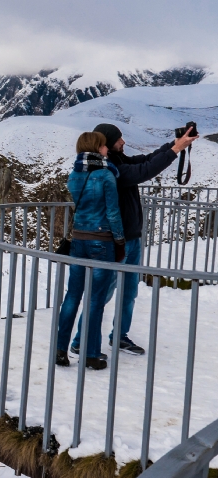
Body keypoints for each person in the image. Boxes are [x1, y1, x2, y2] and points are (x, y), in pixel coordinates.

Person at [91, 123, 197, 355]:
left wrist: (176, 143)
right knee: (102, 294)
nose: (123, 142)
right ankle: (82, 340)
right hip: (114, 241)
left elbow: (147, 159)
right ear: (107, 142)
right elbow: (144, 171)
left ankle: (120, 336)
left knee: (129, 292)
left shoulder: (119, 160)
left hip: (132, 239)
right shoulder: (108, 167)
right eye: (119, 139)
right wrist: (176, 150)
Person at [58, 130, 125, 369]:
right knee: (95, 300)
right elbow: (113, 213)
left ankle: (60, 349)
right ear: (97, 148)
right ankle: (90, 354)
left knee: (72, 296)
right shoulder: (106, 176)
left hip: (79, 240)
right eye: (104, 146)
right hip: (101, 241)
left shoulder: (74, 175)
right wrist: (119, 241)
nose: (107, 149)